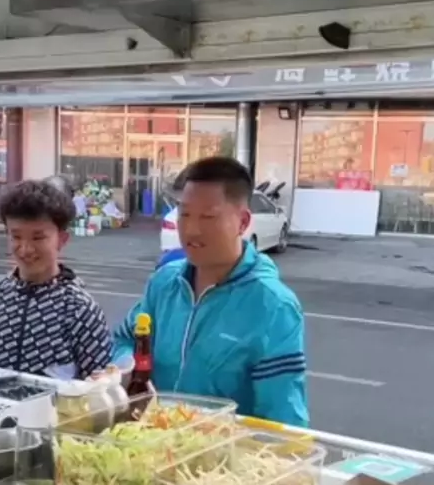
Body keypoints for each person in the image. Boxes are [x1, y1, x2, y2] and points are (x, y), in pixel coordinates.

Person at [113, 156, 308, 426]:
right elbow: (125, 340)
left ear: (242, 222)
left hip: (226, 448)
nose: (192, 230)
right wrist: (129, 369)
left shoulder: (273, 306)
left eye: (208, 217)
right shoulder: (165, 283)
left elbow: (284, 420)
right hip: (152, 439)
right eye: (184, 214)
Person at [0, 179, 111, 379]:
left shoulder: (79, 310)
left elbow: (100, 386)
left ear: (61, 239)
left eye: (38, 238)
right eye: (16, 237)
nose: (25, 249)